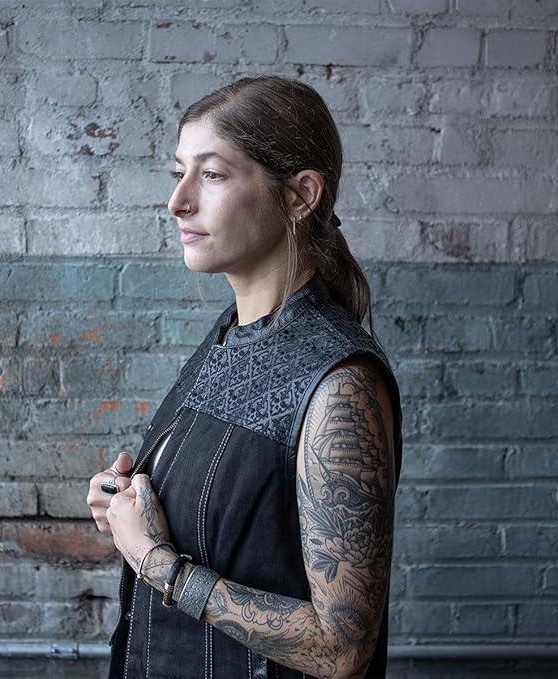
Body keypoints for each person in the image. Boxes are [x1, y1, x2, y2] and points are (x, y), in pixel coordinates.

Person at [87, 74, 403, 679]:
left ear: (300, 196)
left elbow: (341, 648)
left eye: (211, 175)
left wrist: (155, 561)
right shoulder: (230, 335)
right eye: (177, 172)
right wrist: (127, 501)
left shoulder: (341, 385)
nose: (178, 202)